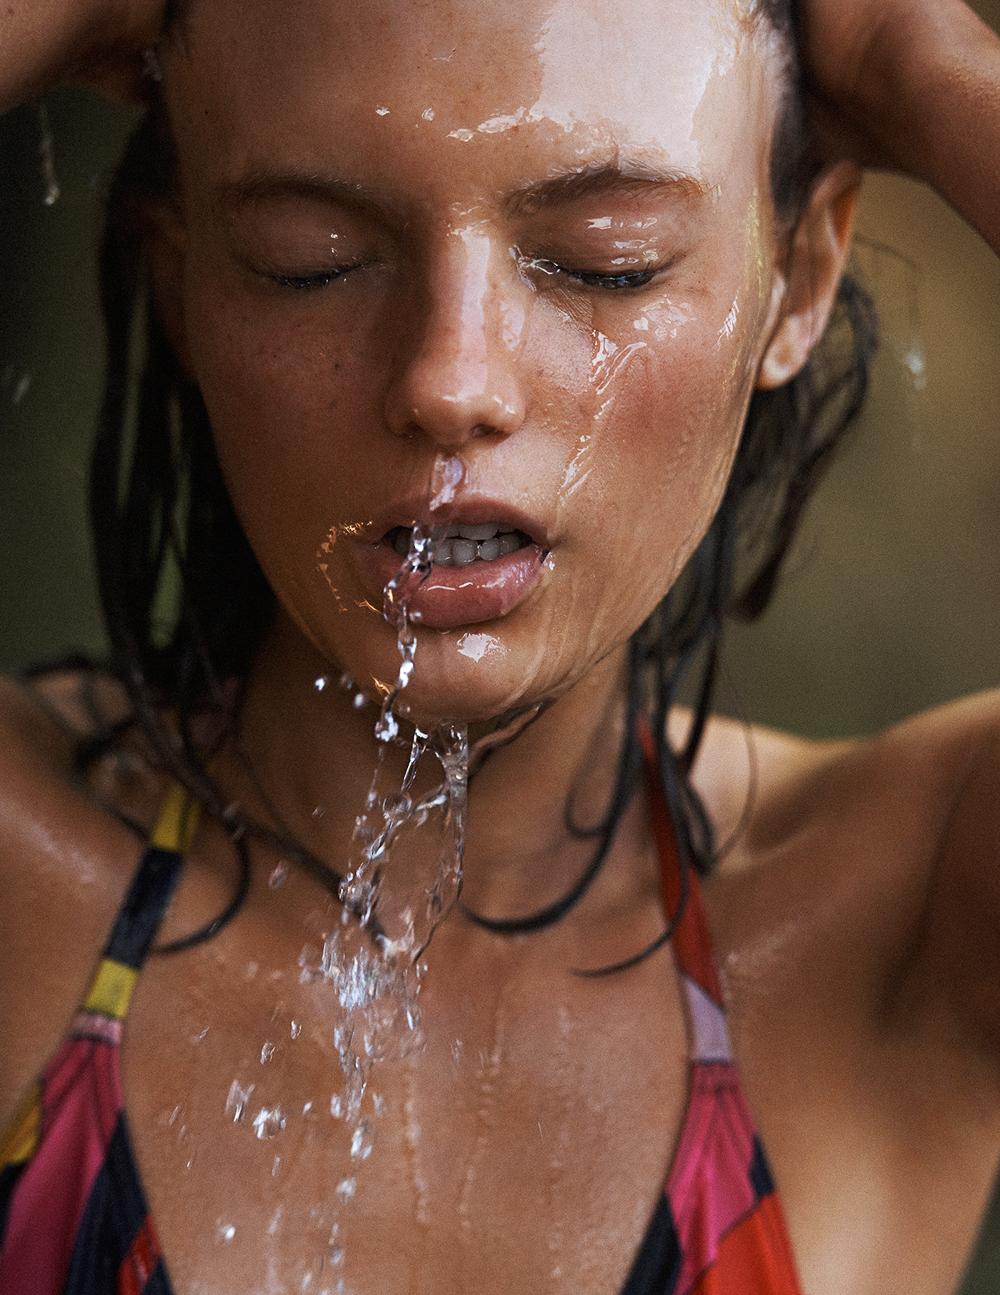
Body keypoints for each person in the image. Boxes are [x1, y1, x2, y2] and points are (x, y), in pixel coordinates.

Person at [0, 1, 998, 1293]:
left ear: (797, 278)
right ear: (183, 280)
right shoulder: (23, 882)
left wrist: (910, 56)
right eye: (311, 259)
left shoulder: (898, 939)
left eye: (606, 262)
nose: (450, 378)